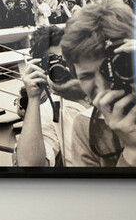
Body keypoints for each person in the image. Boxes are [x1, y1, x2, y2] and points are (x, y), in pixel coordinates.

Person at [60, 0, 136, 168]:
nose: (101, 86)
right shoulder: (85, 126)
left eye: (112, 69)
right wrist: (134, 152)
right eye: (86, 76)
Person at [16, 26, 88, 167]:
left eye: (68, 59)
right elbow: (30, 165)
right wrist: (33, 98)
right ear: (43, 69)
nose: (65, 68)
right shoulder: (48, 111)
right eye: (54, 62)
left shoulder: (102, 88)